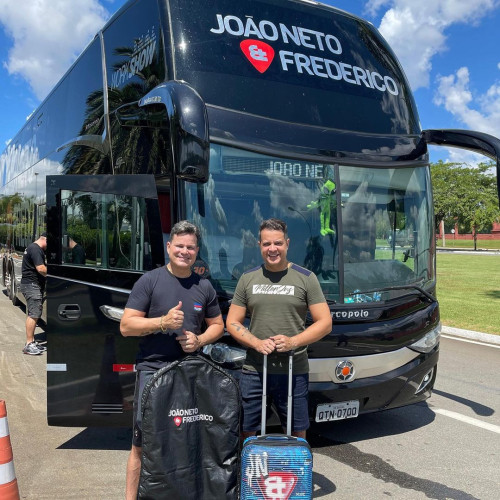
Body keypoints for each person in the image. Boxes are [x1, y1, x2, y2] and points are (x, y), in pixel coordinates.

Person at [120, 220, 224, 500]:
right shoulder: (150, 280)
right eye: (179, 246)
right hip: (153, 372)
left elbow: (218, 325)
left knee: (187, 440)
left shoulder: (204, 286)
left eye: (190, 247)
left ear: (197, 250)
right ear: (169, 247)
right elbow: (127, 326)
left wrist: (200, 340)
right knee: (142, 444)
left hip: (191, 375)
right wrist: (162, 322)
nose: (184, 252)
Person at [226, 218, 331, 440]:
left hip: (293, 369)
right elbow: (232, 322)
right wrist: (256, 342)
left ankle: (293, 472)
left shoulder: (306, 278)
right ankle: (251, 472)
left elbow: (325, 323)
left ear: (287, 243)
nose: (272, 249)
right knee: (247, 429)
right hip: (255, 369)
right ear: (259, 245)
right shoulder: (247, 279)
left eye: (278, 243)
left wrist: (293, 342)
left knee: (296, 431)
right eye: (266, 244)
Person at [20, 232, 48, 355]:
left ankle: (32, 342)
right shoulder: (36, 249)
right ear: (45, 240)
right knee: (34, 313)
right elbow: (41, 268)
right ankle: (29, 344)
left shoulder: (32, 247)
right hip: (32, 285)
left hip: (30, 285)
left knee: (34, 312)